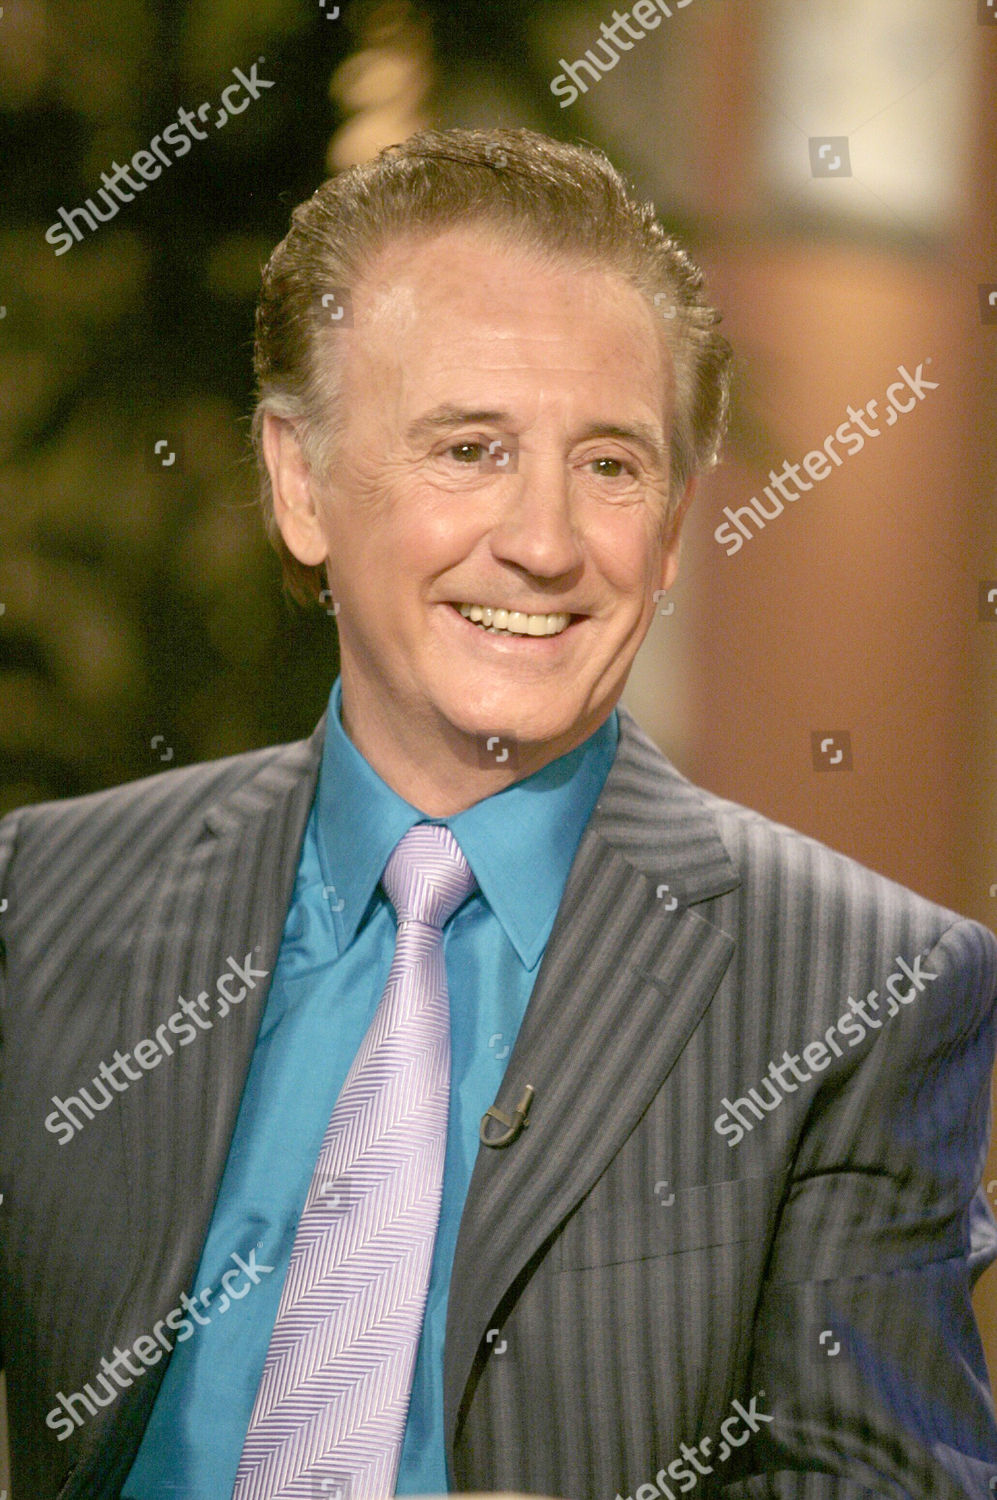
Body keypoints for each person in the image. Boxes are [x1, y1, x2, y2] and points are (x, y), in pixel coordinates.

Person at [1, 126, 996, 1500]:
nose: (543, 542)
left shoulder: (863, 988)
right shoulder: (43, 901)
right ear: (299, 482)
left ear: (669, 527)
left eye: (610, 466)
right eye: (470, 449)